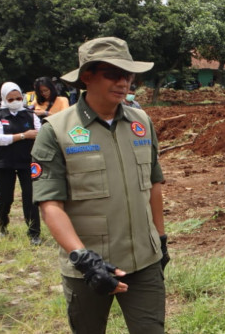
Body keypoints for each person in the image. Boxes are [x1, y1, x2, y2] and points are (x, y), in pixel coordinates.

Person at [32, 37, 169, 333]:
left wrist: (160, 238)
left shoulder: (141, 122)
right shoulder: (56, 131)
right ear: (87, 77)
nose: (124, 83)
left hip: (144, 261)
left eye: (128, 75)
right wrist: (83, 258)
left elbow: (154, 183)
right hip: (88, 268)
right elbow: (50, 205)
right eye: (113, 74)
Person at [0, 82, 42, 244]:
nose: (16, 101)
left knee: (31, 198)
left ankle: (34, 233)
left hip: (27, 161)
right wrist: (23, 136)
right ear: (4, 99)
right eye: (11, 99)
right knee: (5, 197)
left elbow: (40, 135)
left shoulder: (30, 115)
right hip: (3, 162)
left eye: (18, 98)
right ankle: (2, 225)